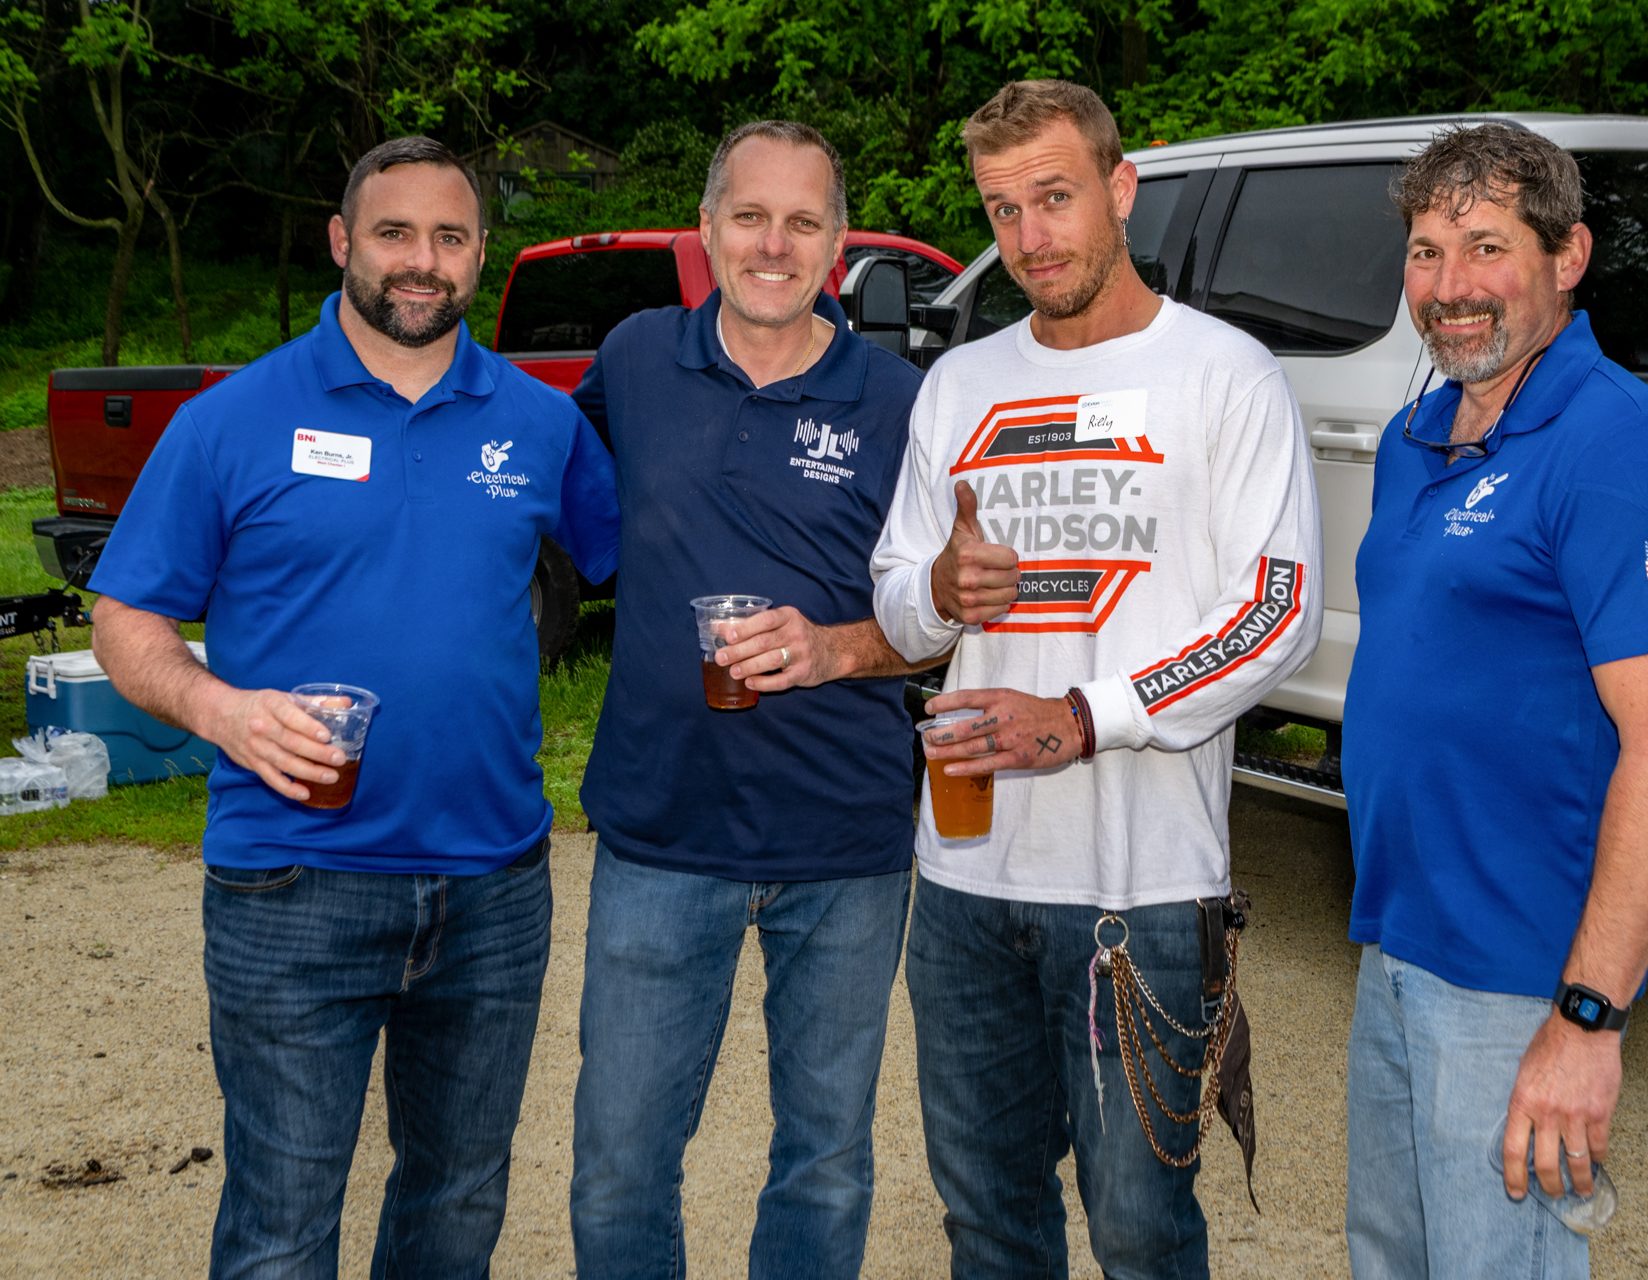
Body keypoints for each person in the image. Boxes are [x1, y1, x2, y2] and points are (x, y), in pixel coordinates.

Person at [87, 136, 618, 1277]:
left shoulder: (538, 423)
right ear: (342, 242)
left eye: (449, 236)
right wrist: (217, 709)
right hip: (292, 882)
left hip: (493, 884)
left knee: (457, 1206)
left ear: (481, 255)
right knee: (281, 1225)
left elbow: (648, 561)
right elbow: (125, 621)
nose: (420, 262)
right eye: (393, 233)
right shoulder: (234, 417)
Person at [870, 80, 1323, 1276]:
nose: (1030, 237)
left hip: (1144, 889)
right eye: (1003, 209)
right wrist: (937, 595)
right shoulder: (960, 386)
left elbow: (1276, 611)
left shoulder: (1226, 374)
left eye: (1055, 198)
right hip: (963, 879)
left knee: (1139, 1228)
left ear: (1122, 190)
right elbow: (896, 593)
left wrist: (1084, 717)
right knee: (989, 1221)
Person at [1340, 123, 1648, 1278]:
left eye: (1485, 247)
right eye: (1423, 251)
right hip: (1398, 945)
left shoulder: (1622, 447)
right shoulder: (1421, 434)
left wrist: (1589, 1018)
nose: (1449, 288)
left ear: (1569, 257)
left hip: (1519, 979)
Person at [566, 120, 927, 1279]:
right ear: (708, 227)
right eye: (750, 215)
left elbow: (946, 621)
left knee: (822, 1159)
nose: (774, 243)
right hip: (660, 831)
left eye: (804, 221)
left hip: (844, 839)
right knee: (621, 1161)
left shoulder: (901, 398)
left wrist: (834, 648)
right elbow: (547, 496)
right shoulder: (633, 358)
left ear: (837, 246)